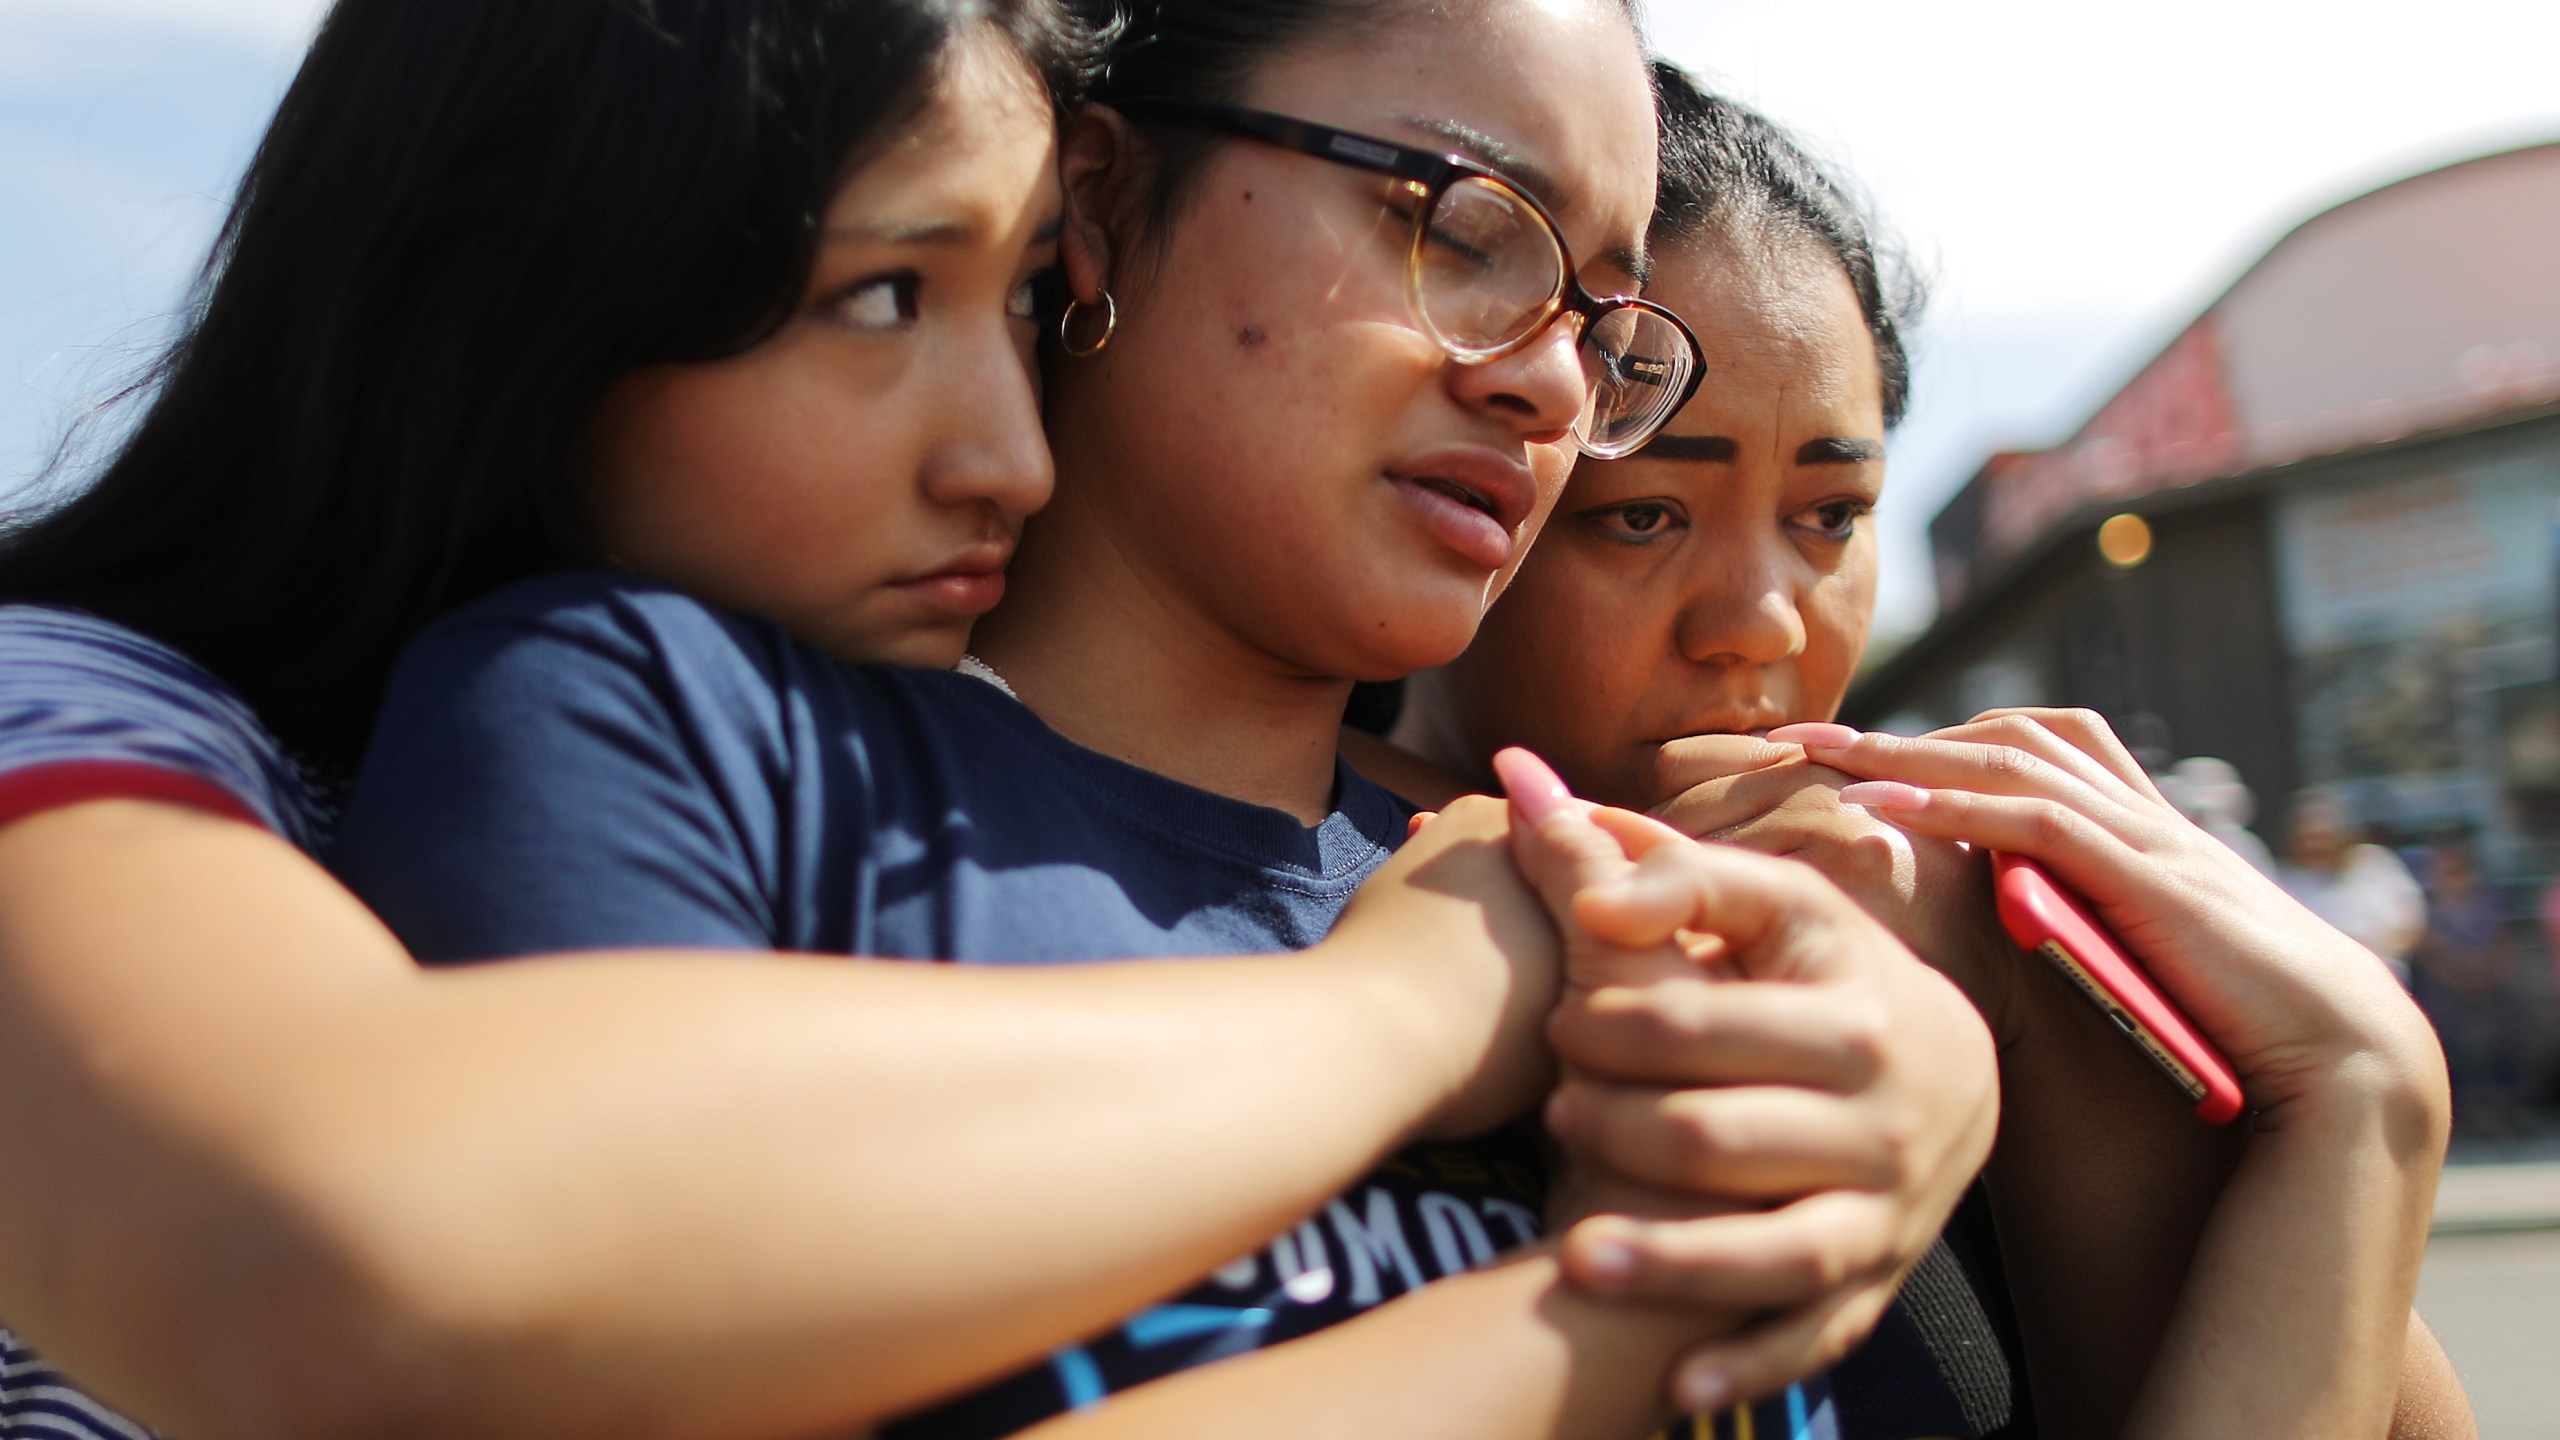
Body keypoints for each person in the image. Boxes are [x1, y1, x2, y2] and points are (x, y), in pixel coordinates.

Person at [0, 4, 1998, 1439]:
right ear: (545, 277)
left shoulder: (1546, 875)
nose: (1001, 445)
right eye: (886, 297)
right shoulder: (121, 714)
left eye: (1596, 311)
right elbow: (359, 1255)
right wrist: (1569, 1202)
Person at [1381, 68, 2467, 1439]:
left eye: (1830, 516)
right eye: (1645, 516)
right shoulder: (1318, 919)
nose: (1760, 622)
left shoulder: (1959, 906)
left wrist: (2359, 1086)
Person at [2279, 788, 2426, 985]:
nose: (2314, 845)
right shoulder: (2285, 880)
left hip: (2385, 983)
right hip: (2321, 986)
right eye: (2306, 837)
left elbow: (2410, 928)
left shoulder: (2374, 863)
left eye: (2322, 836)